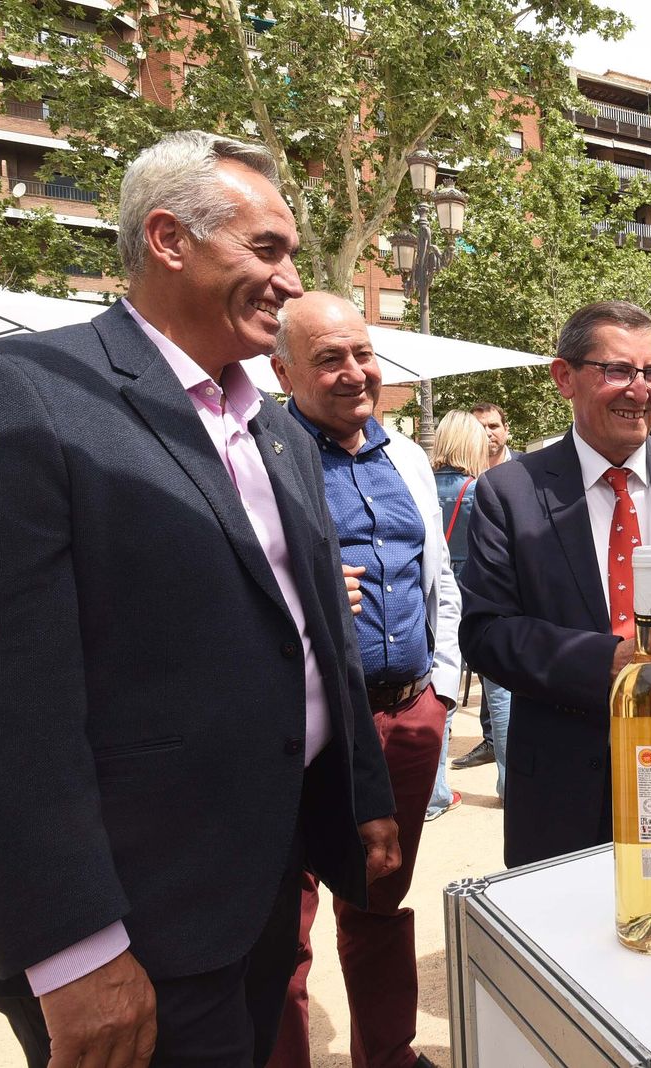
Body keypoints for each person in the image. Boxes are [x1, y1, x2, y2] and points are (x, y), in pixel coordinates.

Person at [0, 131, 398, 1067]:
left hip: (255, 888)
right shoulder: (16, 392)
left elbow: (316, 635)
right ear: (170, 239)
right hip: (133, 922)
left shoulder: (276, 431)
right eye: (268, 249)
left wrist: (359, 797)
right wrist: (76, 952)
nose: (292, 281)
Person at [459, 301, 651, 867]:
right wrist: (609, 662)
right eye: (618, 370)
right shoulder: (510, 493)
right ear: (564, 377)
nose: (640, 390)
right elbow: (486, 633)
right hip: (568, 784)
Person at [266, 292, 460, 1068]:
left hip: (405, 721)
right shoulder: (260, 457)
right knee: (285, 922)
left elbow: (438, 578)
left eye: (363, 353)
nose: (355, 372)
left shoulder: (406, 457)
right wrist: (302, 594)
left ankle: (389, 1056)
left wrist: (440, 693)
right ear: (282, 372)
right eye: (329, 359)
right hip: (301, 727)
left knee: (380, 900)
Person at [428, 410, 492, 813]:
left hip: (432, 593)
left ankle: (432, 789)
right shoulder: (481, 489)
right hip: (474, 591)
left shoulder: (417, 482)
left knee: (438, 683)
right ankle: (508, 781)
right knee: (498, 690)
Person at [451, 404, 516, 779]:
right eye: (480, 427)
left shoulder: (523, 469)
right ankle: (493, 745)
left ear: (505, 429)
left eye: (493, 425)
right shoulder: (468, 481)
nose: (488, 433)